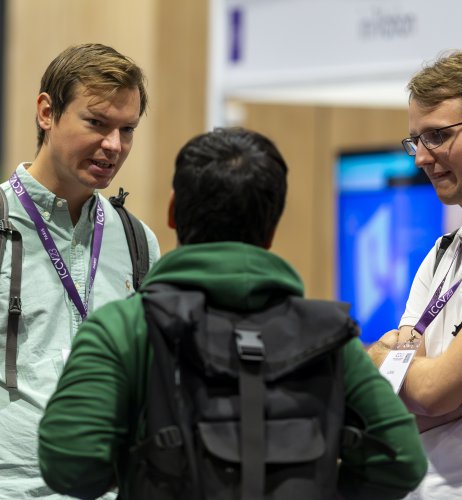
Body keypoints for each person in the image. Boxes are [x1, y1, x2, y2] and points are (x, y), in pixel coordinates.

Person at [38, 127, 426, 499]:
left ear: (173, 211)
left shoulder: (122, 328)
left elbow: (69, 465)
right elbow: (402, 461)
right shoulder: (331, 336)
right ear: (271, 228)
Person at [0, 43, 160, 497]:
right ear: (46, 113)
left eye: (127, 129)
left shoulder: (137, 241)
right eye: (96, 123)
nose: (114, 145)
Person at [368, 50, 462, 499]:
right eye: (416, 141)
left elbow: (431, 393)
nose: (421, 158)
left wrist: (440, 389)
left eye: (437, 136)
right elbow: (397, 401)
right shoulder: (442, 254)